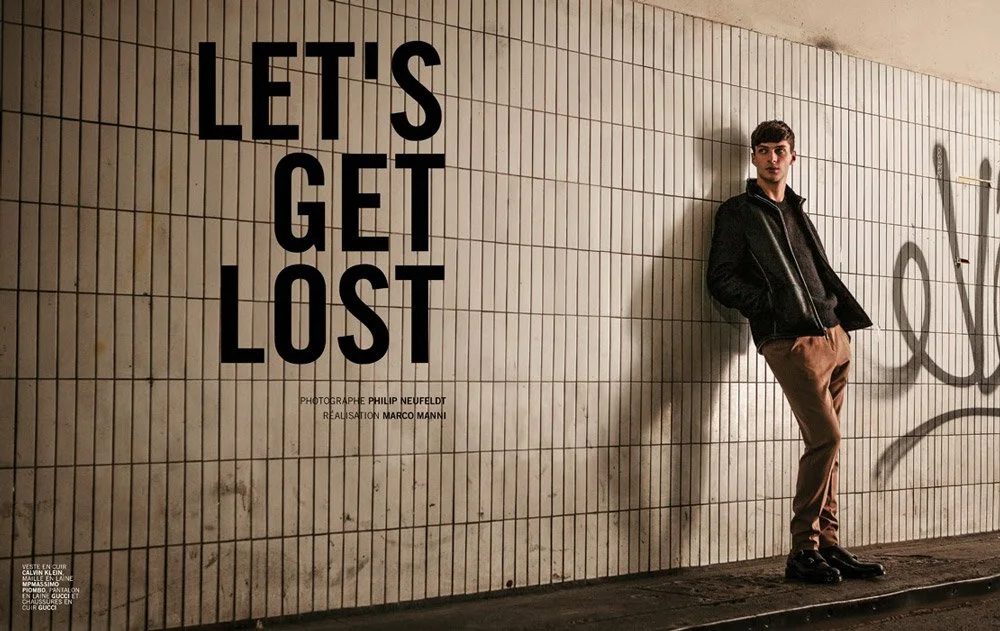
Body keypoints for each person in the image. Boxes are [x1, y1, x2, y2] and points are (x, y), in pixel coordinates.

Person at [706, 120, 885, 584]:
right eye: (763, 150)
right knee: (826, 438)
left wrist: (838, 323)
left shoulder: (796, 210)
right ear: (753, 158)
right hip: (789, 340)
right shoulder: (738, 212)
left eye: (779, 150)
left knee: (830, 448)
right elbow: (720, 280)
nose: (771, 157)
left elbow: (816, 270)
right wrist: (772, 305)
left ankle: (828, 543)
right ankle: (801, 550)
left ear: (792, 157)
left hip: (833, 336)